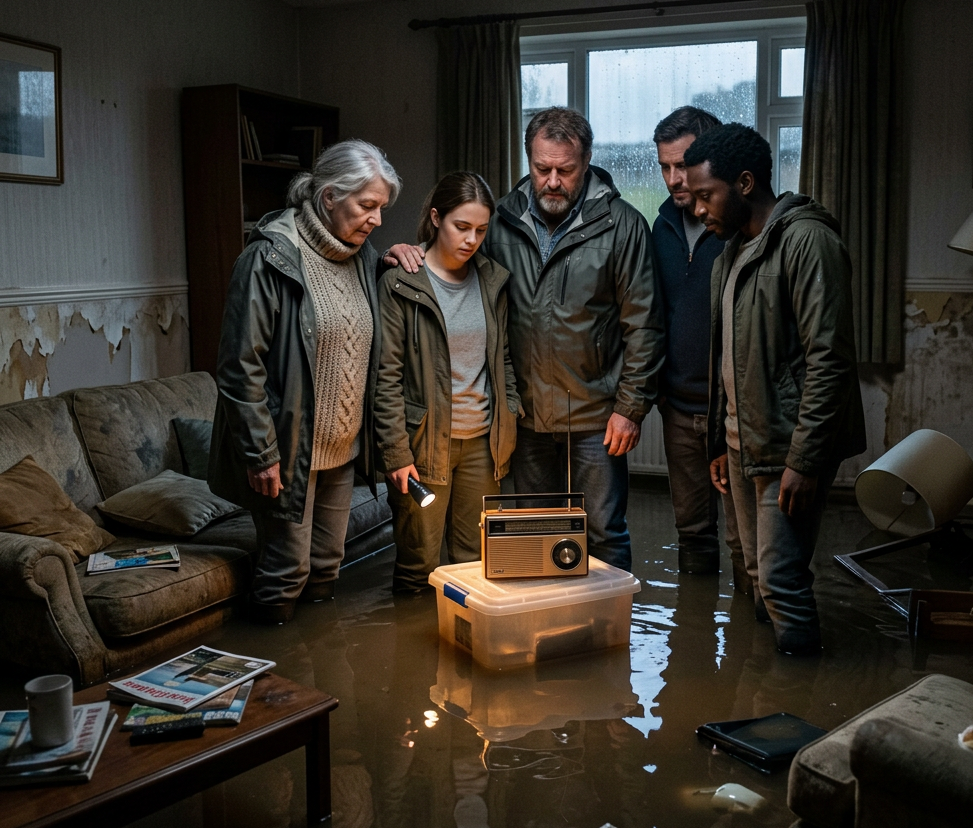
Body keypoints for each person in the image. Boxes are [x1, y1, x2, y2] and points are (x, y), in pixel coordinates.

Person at [386, 108, 662, 571]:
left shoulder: (623, 225)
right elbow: (452, 261)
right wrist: (399, 252)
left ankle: (607, 630)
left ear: (588, 161)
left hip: (597, 416)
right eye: (542, 168)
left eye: (565, 171)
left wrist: (629, 409)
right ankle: (547, 628)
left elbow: (645, 325)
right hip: (525, 416)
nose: (552, 181)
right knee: (536, 528)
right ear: (529, 159)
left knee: (603, 529)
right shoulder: (501, 219)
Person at [685, 123, 865, 654]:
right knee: (757, 572)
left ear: (744, 183)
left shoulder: (808, 241)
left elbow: (829, 359)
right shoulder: (731, 253)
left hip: (788, 447)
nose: (698, 210)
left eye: (705, 196)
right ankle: (765, 692)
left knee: (782, 580)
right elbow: (731, 357)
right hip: (745, 445)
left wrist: (805, 461)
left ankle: (798, 702)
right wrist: (720, 441)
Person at [208, 140, 401, 625]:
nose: (376, 219)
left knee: (325, 567)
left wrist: (391, 258)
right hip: (287, 449)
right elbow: (238, 366)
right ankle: (273, 679)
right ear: (330, 196)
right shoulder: (268, 259)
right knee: (285, 570)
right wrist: (260, 453)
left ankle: (316, 677)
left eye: (381, 208)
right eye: (368, 206)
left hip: (342, 448)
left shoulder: (362, 256)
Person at [375, 172, 520, 592]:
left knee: (474, 565)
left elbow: (503, 359)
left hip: (483, 444)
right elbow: (386, 379)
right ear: (436, 218)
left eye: (480, 229)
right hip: (424, 444)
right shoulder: (400, 282)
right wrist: (396, 453)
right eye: (461, 227)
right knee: (417, 566)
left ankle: (462, 648)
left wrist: (508, 411)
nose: (471, 239)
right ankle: (412, 656)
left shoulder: (493, 281)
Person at [651, 106, 747, 587]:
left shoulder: (739, 231)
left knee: (745, 541)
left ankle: (750, 652)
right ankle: (693, 650)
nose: (673, 179)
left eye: (682, 165)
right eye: (664, 166)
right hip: (678, 409)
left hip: (732, 414)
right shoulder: (662, 225)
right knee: (692, 534)